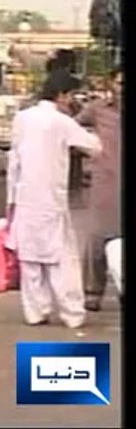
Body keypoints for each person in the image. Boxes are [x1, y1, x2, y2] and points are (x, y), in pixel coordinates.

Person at [5, 70, 103, 328]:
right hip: (51, 199)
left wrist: (10, 200)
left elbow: (14, 160)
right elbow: (94, 146)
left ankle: (36, 312)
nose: (71, 101)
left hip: (25, 196)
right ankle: (72, 314)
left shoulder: (22, 119)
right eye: (71, 96)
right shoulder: (61, 121)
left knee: (30, 259)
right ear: (61, 95)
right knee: (61, 259)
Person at [74, 67, 121, 311]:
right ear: (112, 84)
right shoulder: (98, 109)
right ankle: (92, 291)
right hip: (106, 181)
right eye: (120, 83)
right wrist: (89, 151)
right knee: (97, 236)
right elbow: (70, 130)